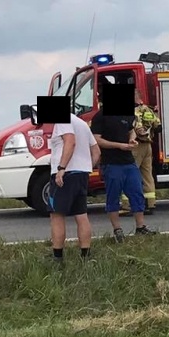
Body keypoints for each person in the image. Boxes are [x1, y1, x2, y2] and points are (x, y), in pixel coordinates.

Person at [92, 108, 155, 241]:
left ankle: (141, 226)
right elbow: (97, 140)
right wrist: (119, 145)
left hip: (129, 161)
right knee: (113, 196)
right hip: (111, 163)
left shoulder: (127, 114)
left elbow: (131, 130)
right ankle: (117, 230)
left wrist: (132, 139)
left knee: (137, 193)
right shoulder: (100, 116)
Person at [48, 107, 97, 261]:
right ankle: (85, 256)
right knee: (81, 215)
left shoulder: (62, 120)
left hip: (66, 174)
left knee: (57, 215)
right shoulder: (82, 124)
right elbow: (96, 152)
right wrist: (86, 167)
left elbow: (70, 141)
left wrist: (61, 168)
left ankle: (57, 257)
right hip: (81, 174)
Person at [132, 100, 161, 213]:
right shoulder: (147, 109)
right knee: (147, 175)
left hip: (136, 146)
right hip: (148, 146)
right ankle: (150, 203)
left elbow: (138, 129)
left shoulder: (135, 111)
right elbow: (157, 126)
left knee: (131, 174)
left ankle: (127, 205)